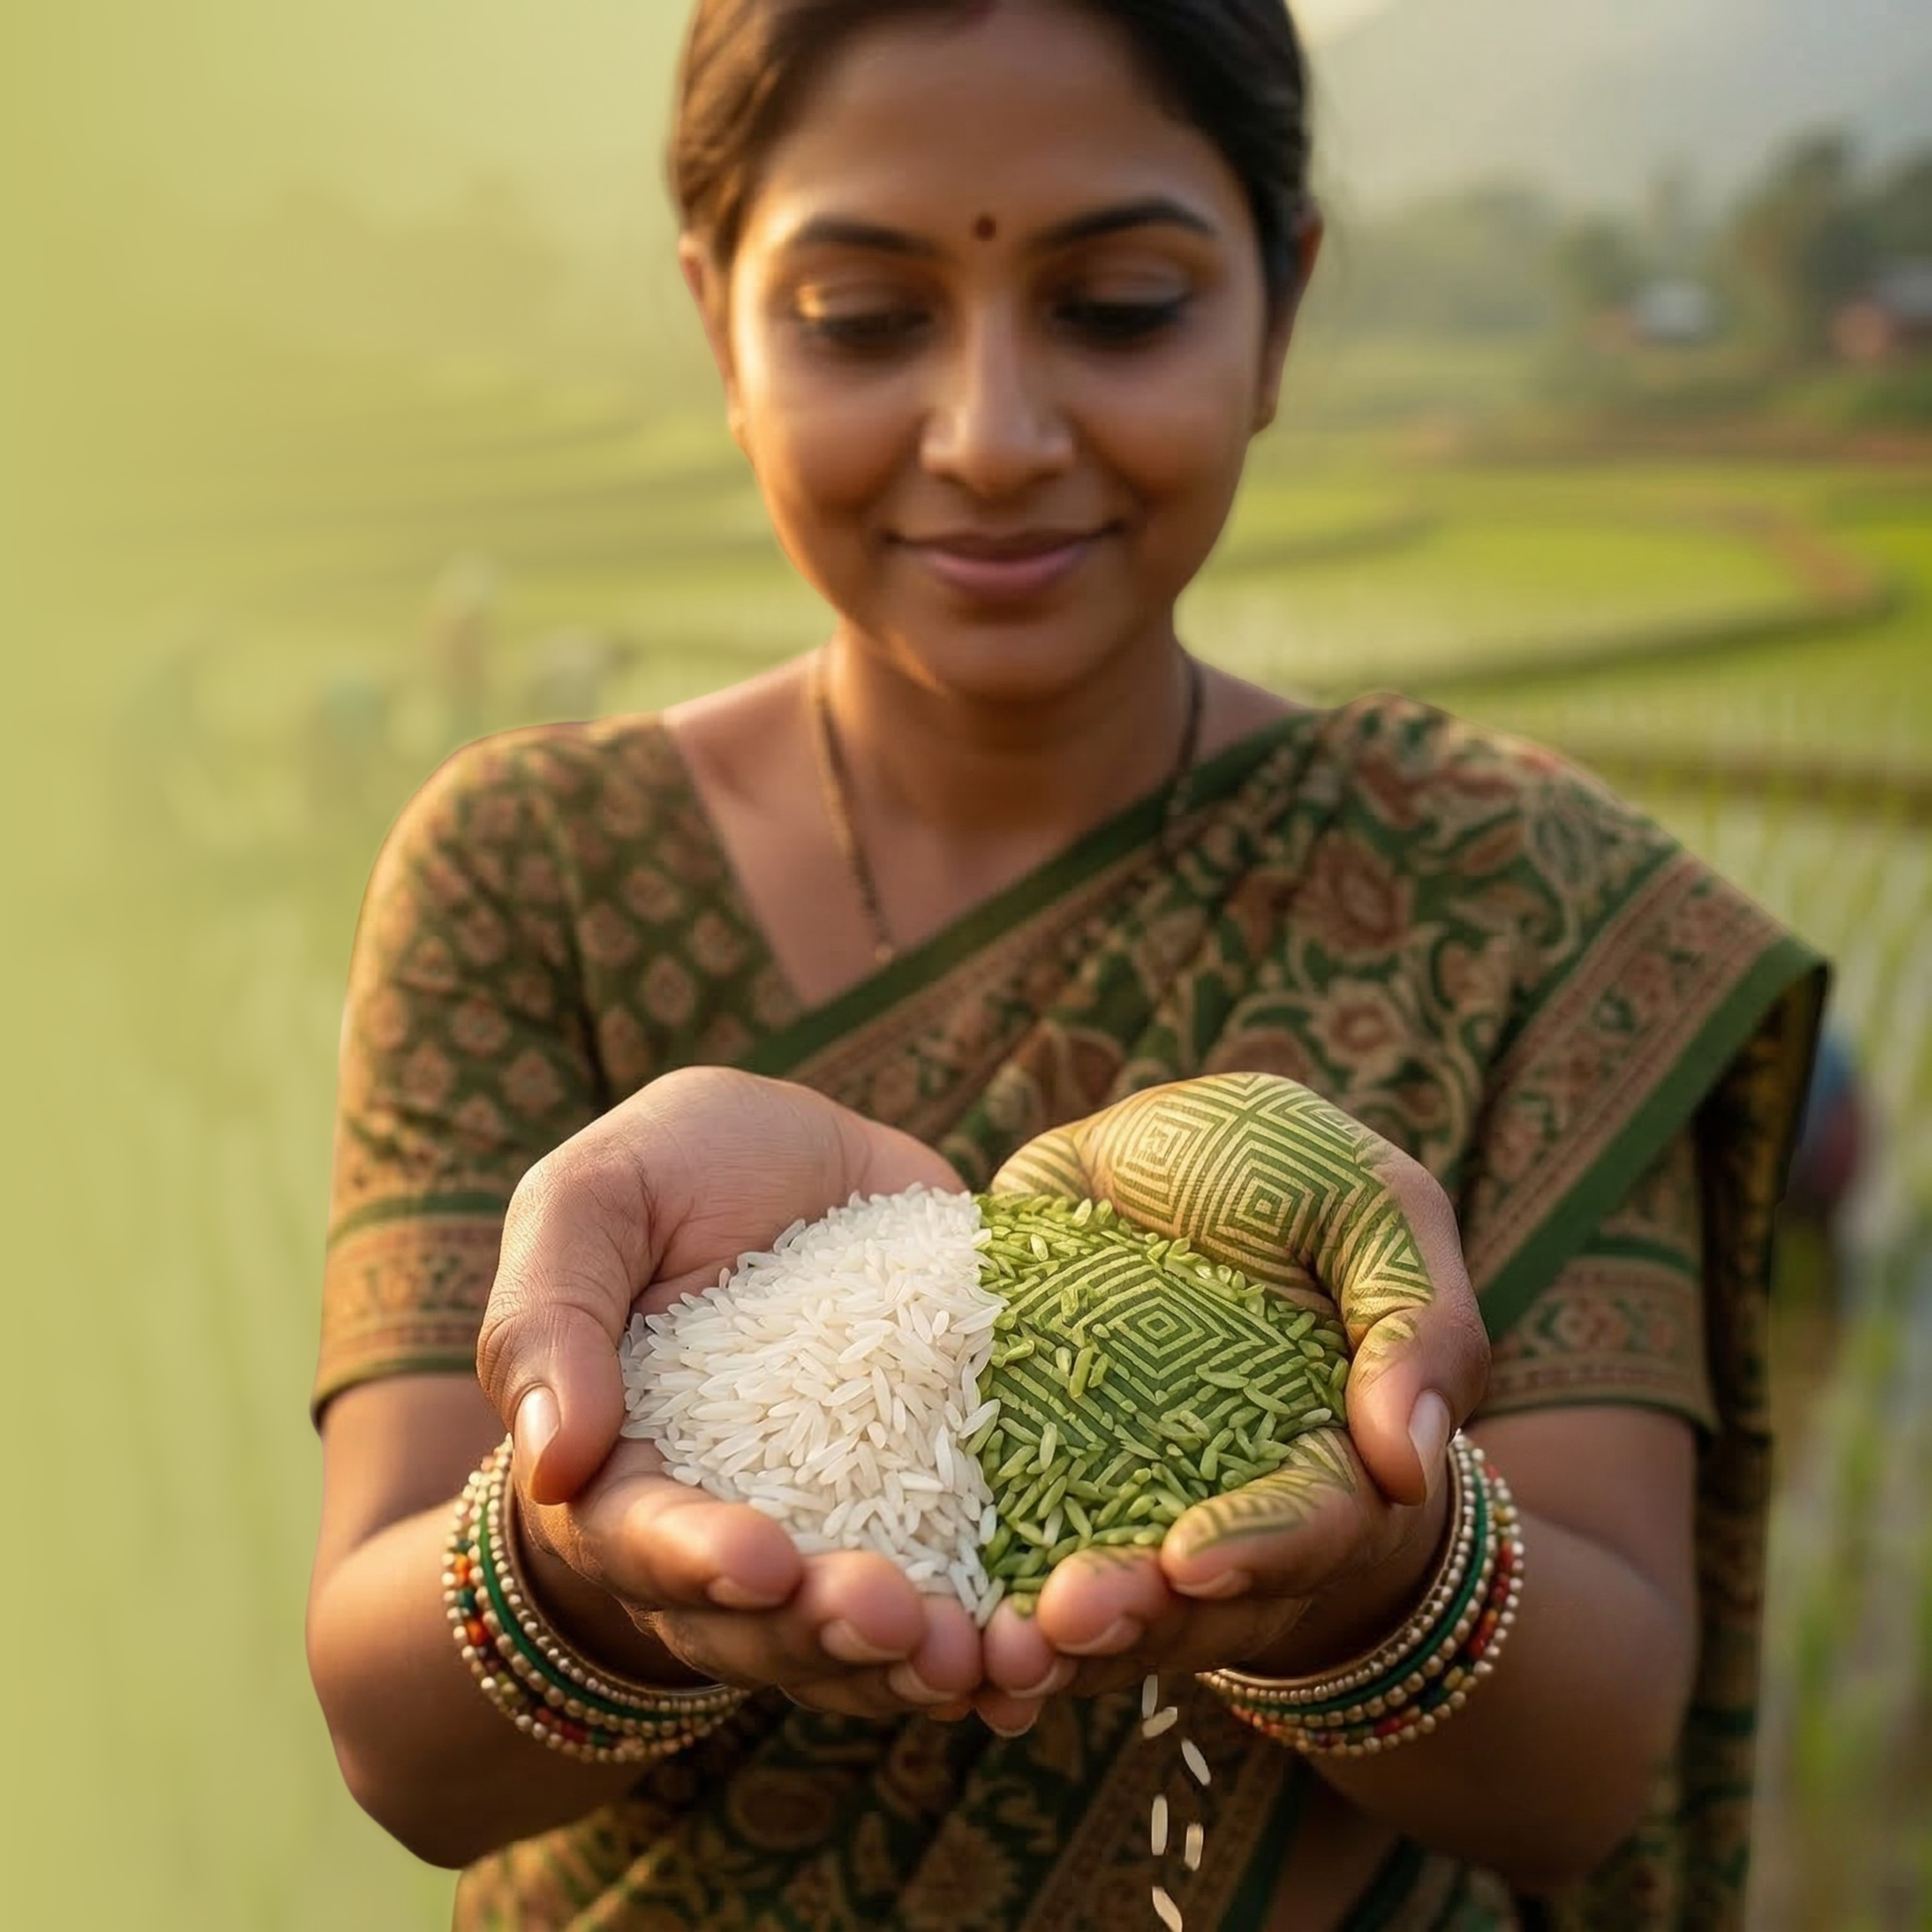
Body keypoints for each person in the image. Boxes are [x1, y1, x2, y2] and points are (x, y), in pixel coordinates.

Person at [304, 2, 1828, 1925]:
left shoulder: (1521, 895)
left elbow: (1589, 1764)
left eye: (1118, 309)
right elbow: (399, 1736)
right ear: (719, 326)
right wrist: (575, 1561)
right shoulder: (529, 871)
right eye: (862, 319)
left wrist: (1386, 1565)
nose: (994, 438)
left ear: (1279, 310)